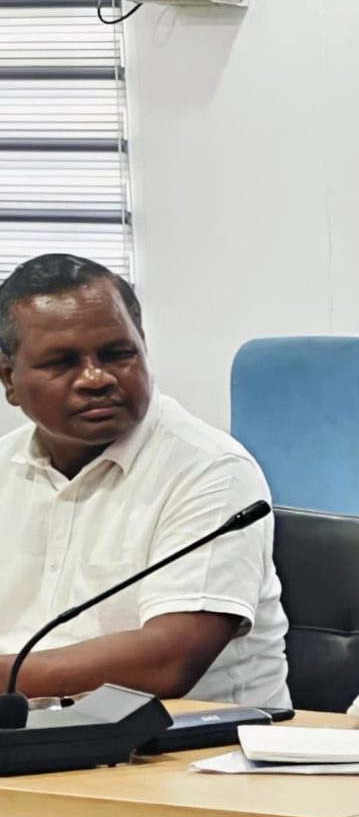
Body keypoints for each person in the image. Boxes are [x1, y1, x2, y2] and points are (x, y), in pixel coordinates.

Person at [0, 253, 287, 708]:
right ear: (9, 380)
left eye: (118, 354)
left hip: (194, 743)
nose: (95, 378)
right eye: (62, 362)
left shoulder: (211, 469)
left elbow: (169, 662)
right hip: (28, 733)